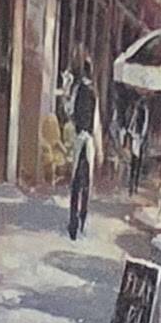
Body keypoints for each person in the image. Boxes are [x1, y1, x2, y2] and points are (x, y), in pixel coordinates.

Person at [65, 59, 98, 240]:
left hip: (80, 140)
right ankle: (82, 217)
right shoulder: (94, 93)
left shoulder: (78, 89)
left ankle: (73, 224)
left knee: (76, 183)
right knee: (87, 183)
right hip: (90, 141)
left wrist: (66, 95)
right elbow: (96, 121)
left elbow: (70, 111)